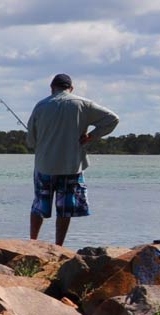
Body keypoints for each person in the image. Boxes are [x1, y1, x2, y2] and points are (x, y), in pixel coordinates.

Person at [26, 73, 118, 246]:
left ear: (52, 88)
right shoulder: (83, 104)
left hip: (44, 164)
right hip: (71, 165)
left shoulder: (41, 105)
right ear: (71, 88)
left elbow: (31, 141)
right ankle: (59, 246)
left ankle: (32, 242)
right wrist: (92, 136)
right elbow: (112, 119)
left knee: (39, 205)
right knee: (65, 209)